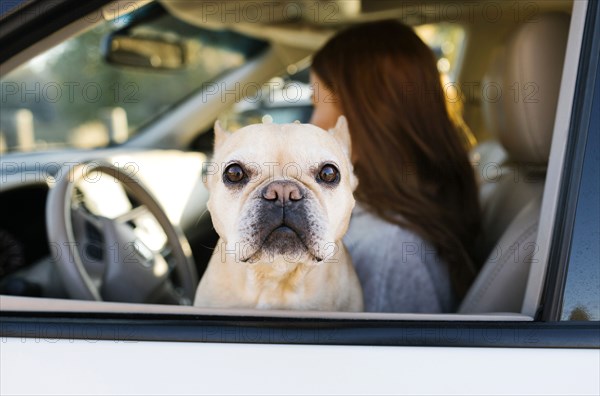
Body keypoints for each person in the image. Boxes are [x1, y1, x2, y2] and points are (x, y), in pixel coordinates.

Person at [310, 20, 481, 313]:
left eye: (317, 102)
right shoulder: (399, 218)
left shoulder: (388, 250)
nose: (312, 123)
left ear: (362, 116)